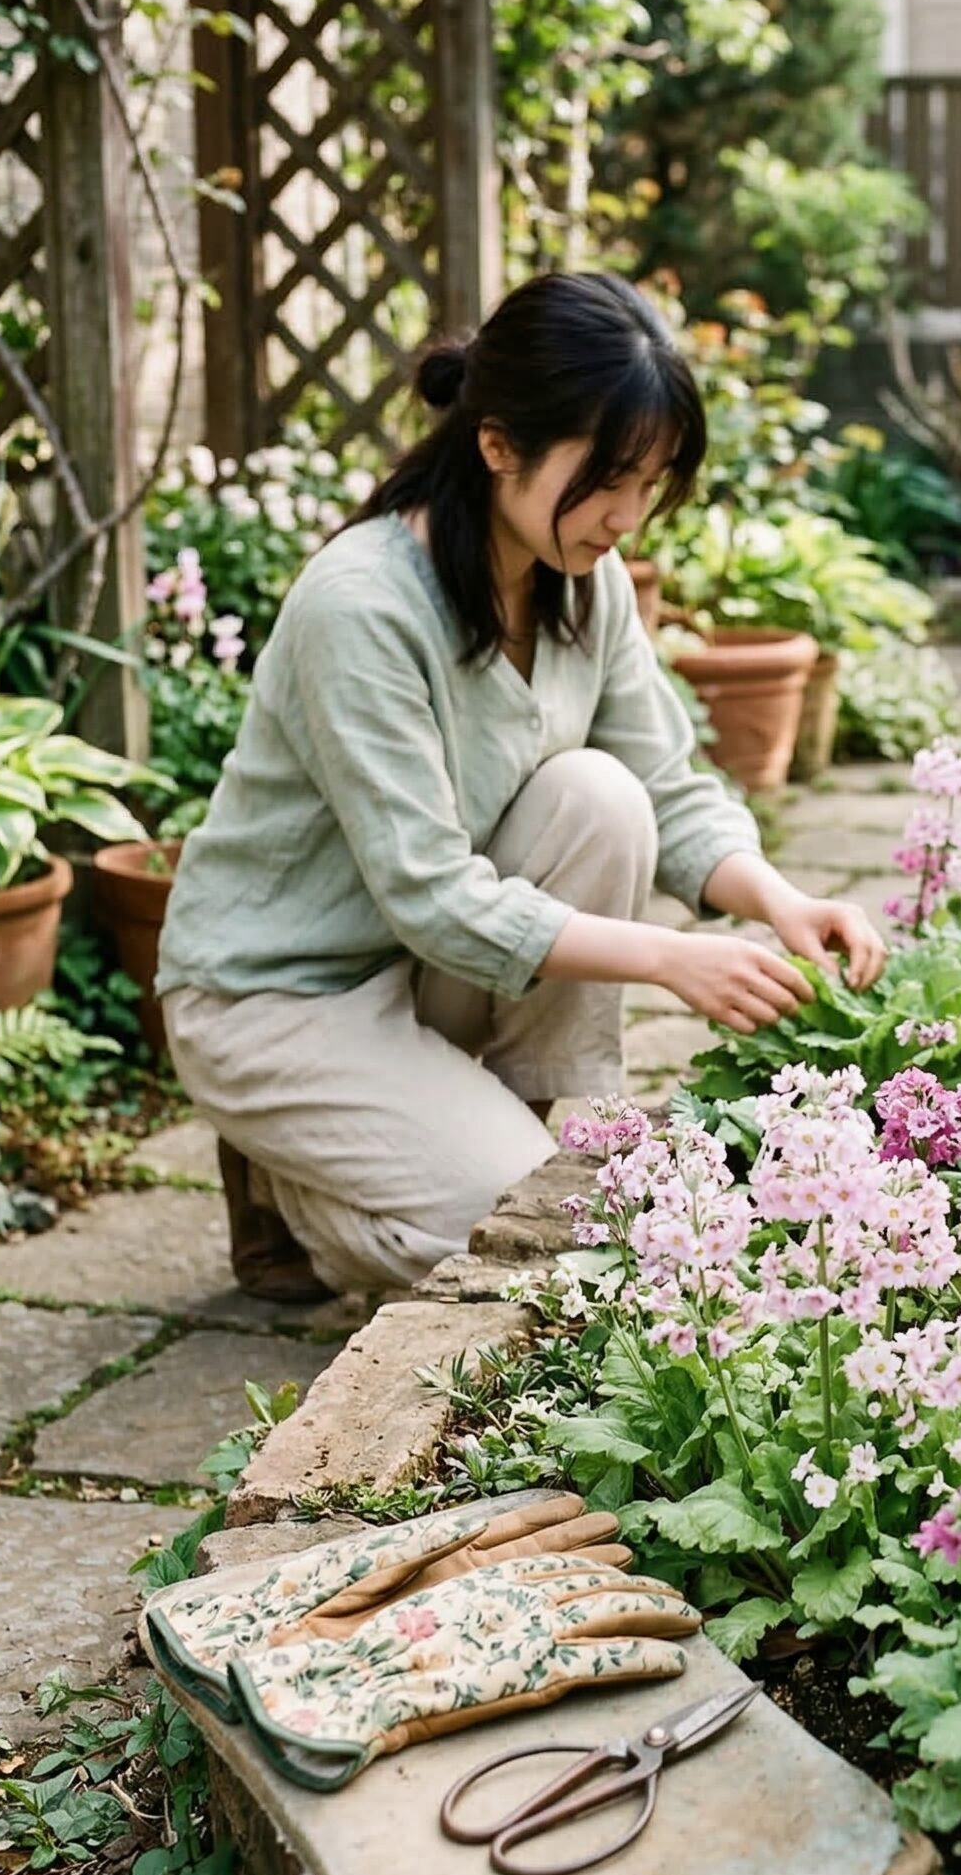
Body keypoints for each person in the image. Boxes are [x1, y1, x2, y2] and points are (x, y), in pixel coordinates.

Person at [154, 271, 885, 1302]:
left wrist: (777, 898)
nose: (628, 516)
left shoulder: (583, 581)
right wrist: (675, 958)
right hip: (278, 992)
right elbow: (432, 894)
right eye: (610, 478)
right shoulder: (360, 608)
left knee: (601, 795)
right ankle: (297, 1202)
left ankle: (516, 1130)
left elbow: (665, 783)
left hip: (418, 971)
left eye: (654, 480)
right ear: (498, 445)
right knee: (522, 1243)